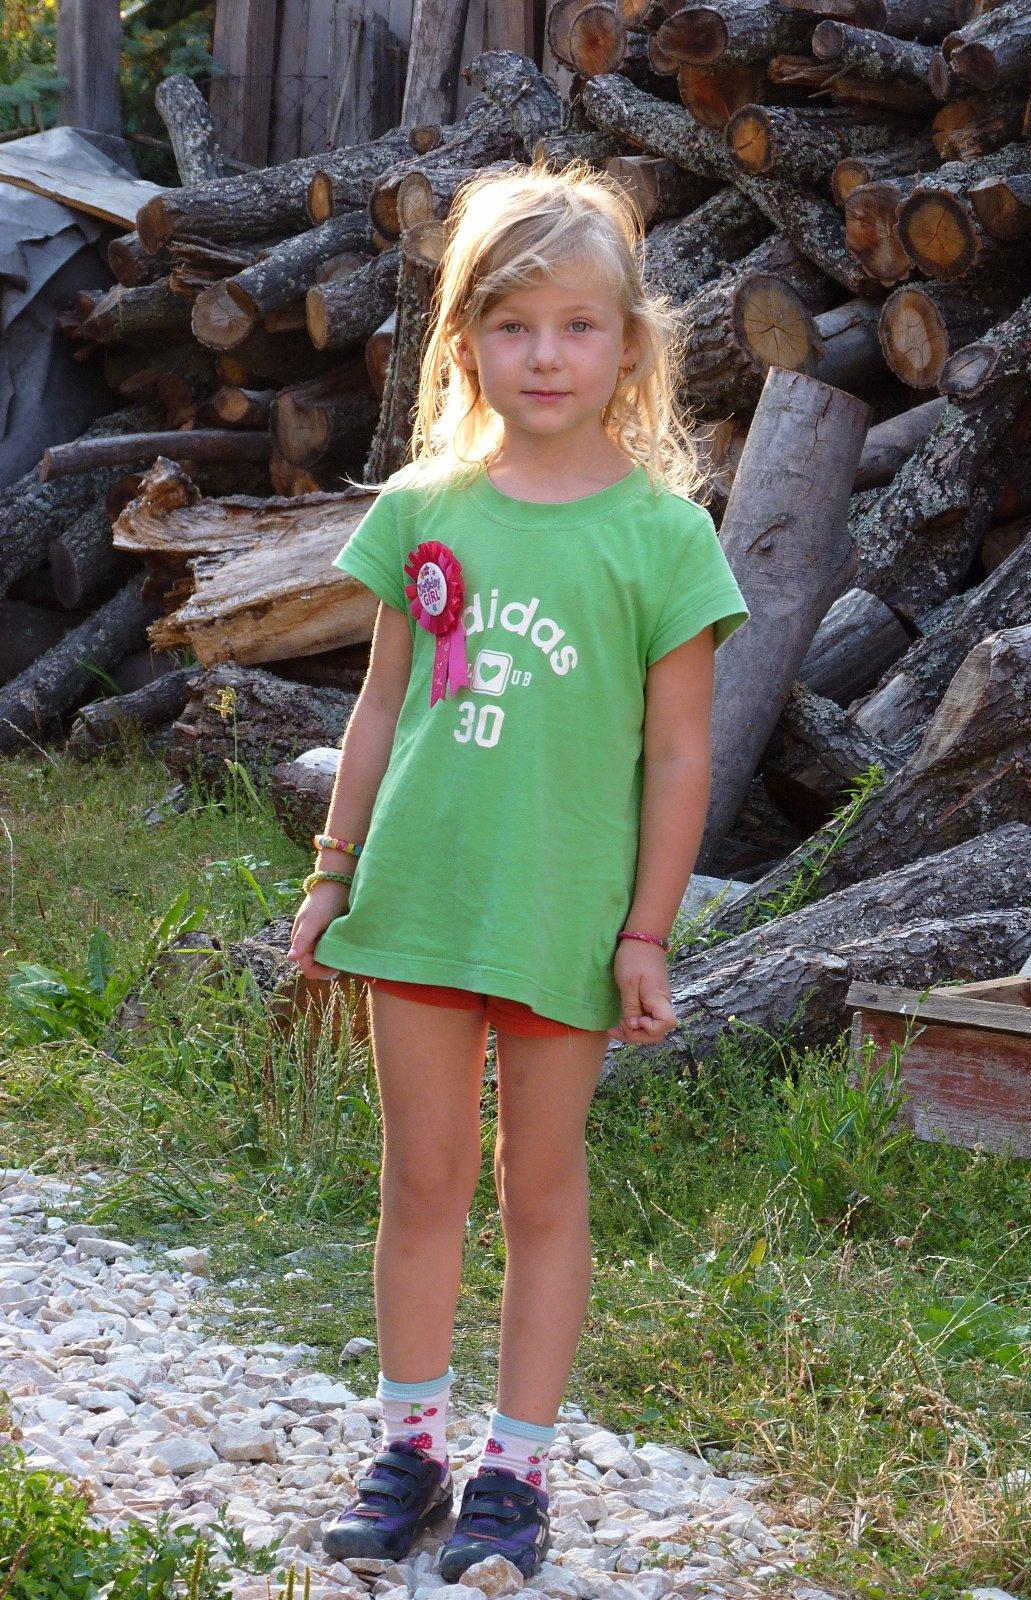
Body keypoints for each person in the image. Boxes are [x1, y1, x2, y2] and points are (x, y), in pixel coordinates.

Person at [286, 158, 750, 1585]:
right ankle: (411, 1449)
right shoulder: (428, 508)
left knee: (539, 1186)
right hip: (419, 898)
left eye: (577, 326)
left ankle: (516, 1470)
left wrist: (647, 934)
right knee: (422, 1177)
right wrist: (332, 872)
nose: (545, 356)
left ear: (631, 346)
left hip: (563, 915)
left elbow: (679, 759)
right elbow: (380, 706)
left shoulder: (663, 537)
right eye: (512, 325)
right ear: (466, 343)